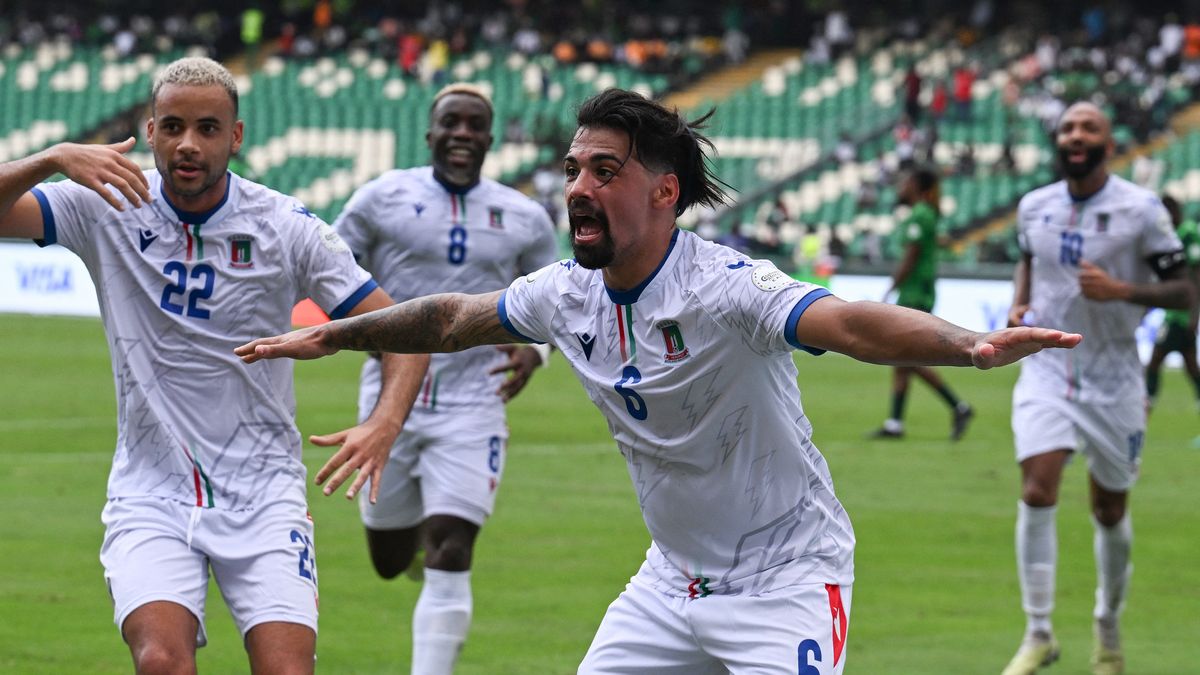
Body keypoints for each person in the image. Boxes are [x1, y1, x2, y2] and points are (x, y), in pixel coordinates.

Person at [237, 88, 1080, 674]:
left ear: (663, 191)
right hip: (669, 580)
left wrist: (968, 344)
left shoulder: (729, 287)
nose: (577, 189)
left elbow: (854, 323)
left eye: (604, 172)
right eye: (573, 170)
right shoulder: (566, 293)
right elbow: (453, 317)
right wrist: (334, 335)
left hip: (786, 578)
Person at [0, 56, 428, 674]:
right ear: (150, 132)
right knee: (160, 663)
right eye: (172, 126)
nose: (188, 144)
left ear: (237, 136)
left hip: (264, 493)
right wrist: (51, 158)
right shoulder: (103, 204)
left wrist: (384, 424)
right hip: (151, 491)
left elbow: (405, 333)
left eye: (207, 128)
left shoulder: (285, 225)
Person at [331, 83, 558, 675]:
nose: (462, 133)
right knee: (388, 557)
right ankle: (409, 547)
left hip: (473, 397)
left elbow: (561, 302)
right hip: (389, 400)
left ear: (489, 138)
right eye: (450, 123)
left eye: (474, 125)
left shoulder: (525, 217)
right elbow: (329, 266)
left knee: (452, 547)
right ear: (430, 134)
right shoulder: (381, 198)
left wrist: (538, 354)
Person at [1002, 102, 1194, 675]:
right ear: (1058, 142)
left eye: (1089, 128)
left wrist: (1121, 291)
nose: (1077, 135)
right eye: (1068, 128)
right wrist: (1019, 300)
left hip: (1113, 375)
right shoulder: (1034, 206)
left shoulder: (1142, 211)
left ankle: (1107, 627)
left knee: (1109, 508)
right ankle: (1038, 632)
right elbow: (1028, 262)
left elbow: (1186, 291)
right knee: (1038, 489)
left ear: (1109, 144)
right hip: (1046, 365)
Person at [873, 166, 974, 440]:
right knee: (901, 359)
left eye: (905, 182)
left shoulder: (919, 214)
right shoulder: (929, 214)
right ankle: (895, 423)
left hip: (915, 291)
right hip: (921, 289)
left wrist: (892, 286)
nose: (900, 187)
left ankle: (958, 406)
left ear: (916, 186)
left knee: (904, 354)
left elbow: (911, 256)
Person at [1145, 194, 1200, 412]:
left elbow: (1197, 274)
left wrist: (1195, 314)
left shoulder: (1188, 233)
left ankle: (1148, 400)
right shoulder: (1173, 234)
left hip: (1181, 314)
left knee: (1155, 360)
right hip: (1174, 311)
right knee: (1190, 364)